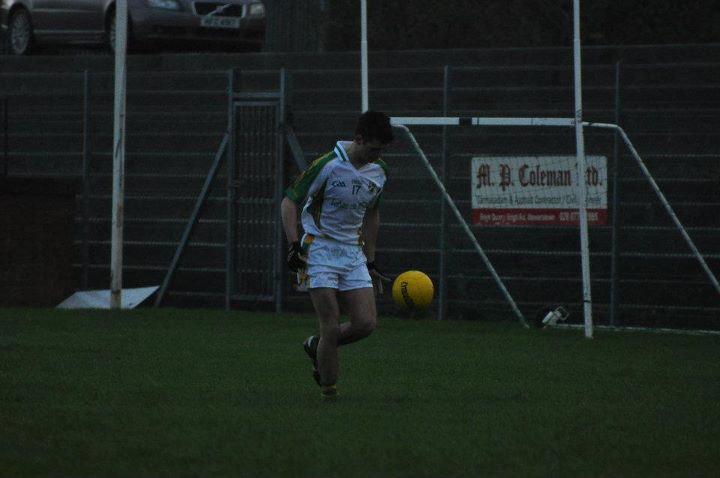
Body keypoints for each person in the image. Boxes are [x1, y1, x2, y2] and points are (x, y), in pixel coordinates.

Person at [280, 110, 394, 400]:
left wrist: (371, 260)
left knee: (366, 324)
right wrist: (293, 245)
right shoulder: (327, 164)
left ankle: (317, 345)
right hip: (318, 248)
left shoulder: (379, 171)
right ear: (359, 139)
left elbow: (372, 213)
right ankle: (329, 390)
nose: (378, 155)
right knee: (330, 323)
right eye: (374, 149)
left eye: (381, 150)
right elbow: (289, 202)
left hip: (352, 252)